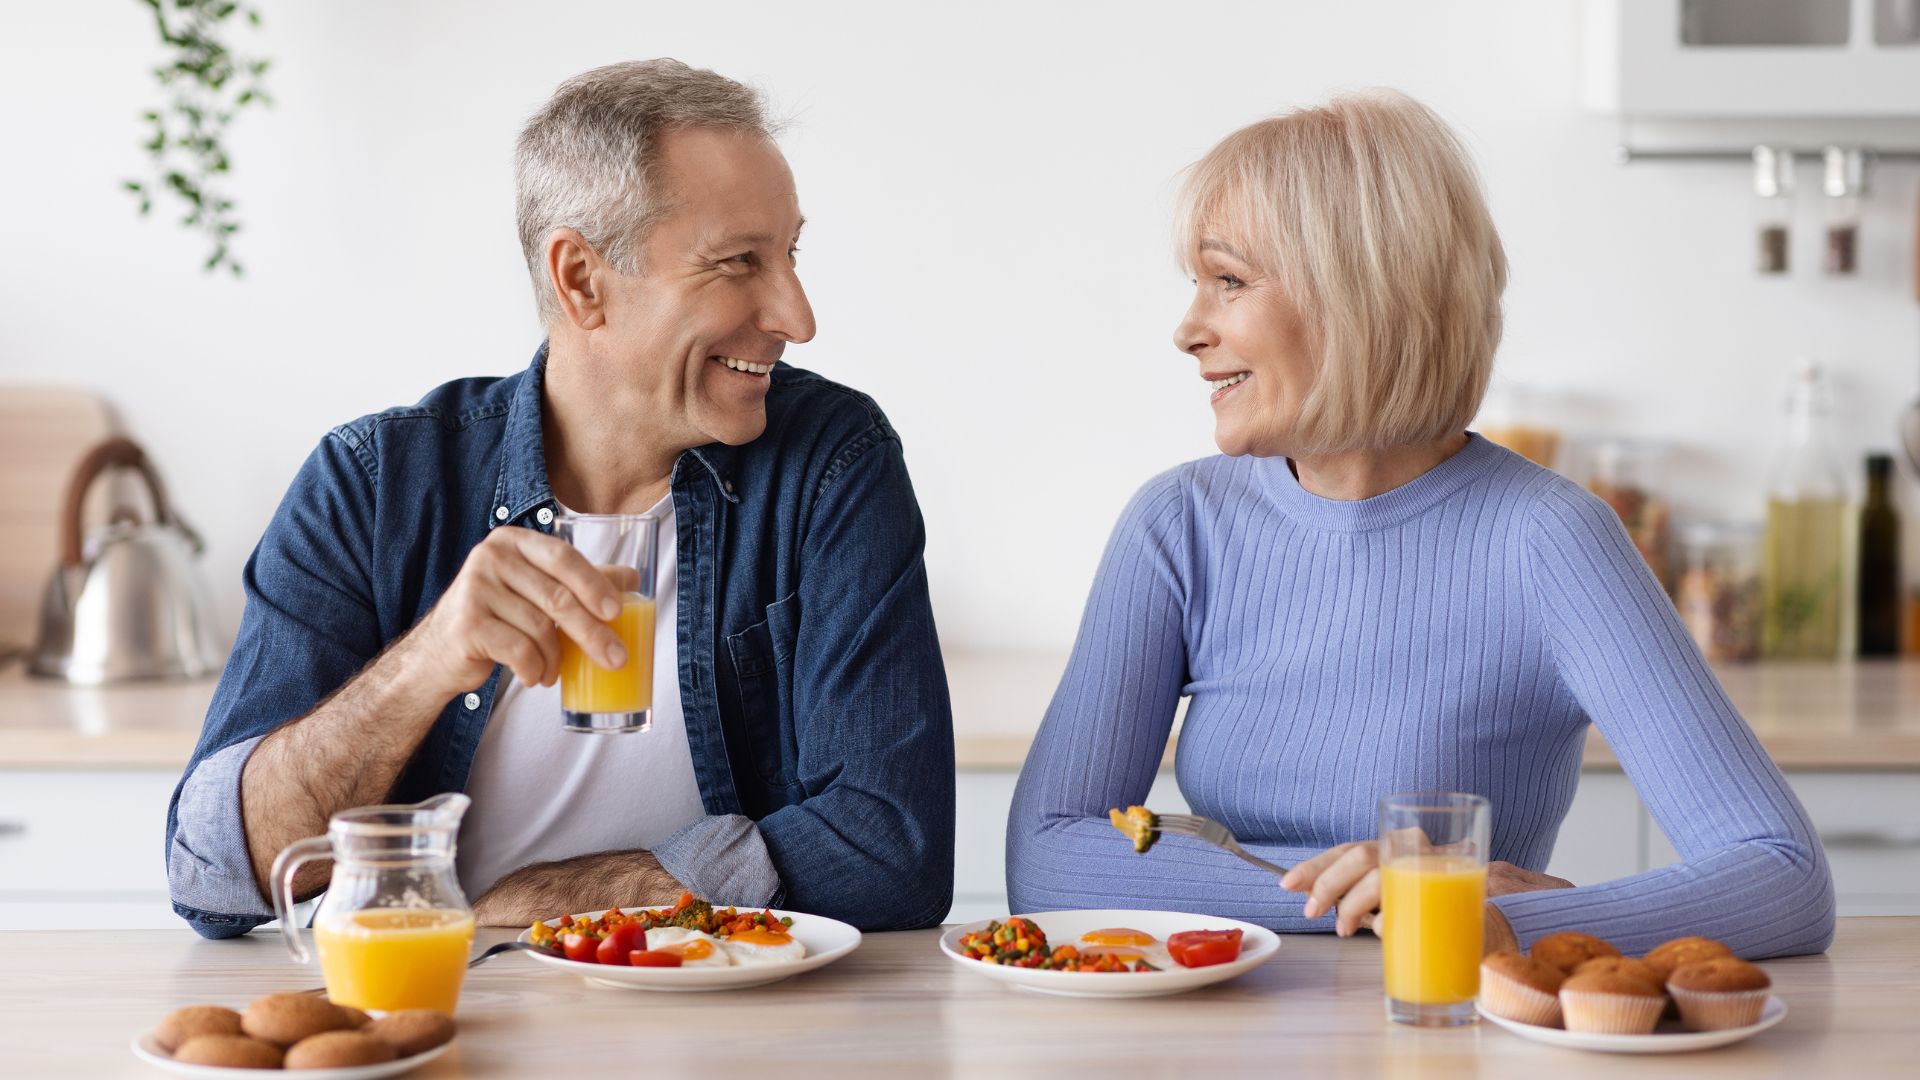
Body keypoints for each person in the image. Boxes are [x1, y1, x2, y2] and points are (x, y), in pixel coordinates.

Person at [1005, 90, 1833, 958]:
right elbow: (1049, 860)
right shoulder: (1178, 526)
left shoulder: (1551, 540)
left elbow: (1782, 878)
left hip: (1438, 1026)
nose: (1188, 329)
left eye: (1230, 282)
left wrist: (1504, 917)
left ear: (1356, 295)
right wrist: (1406, 890)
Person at [166, 59, 954, 939]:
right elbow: (212, 875)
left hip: (721, 1025)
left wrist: (556, 906)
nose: (797, 315)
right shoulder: (375, 482)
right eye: (739, 262)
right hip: (440, 1021)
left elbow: (896, 852)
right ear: (581, 279)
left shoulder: (829, 463)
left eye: (789, 254)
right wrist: (427, 662)